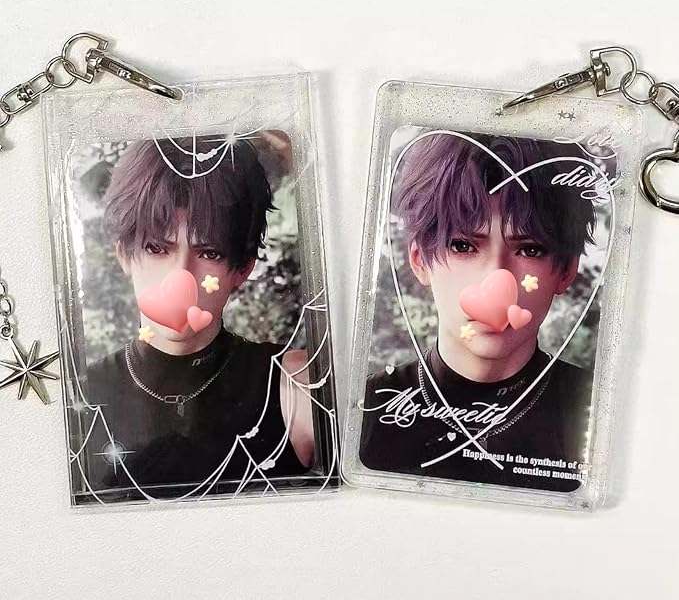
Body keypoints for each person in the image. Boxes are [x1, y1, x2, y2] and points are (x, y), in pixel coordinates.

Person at [360, 132, 599, 492]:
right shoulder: (361, 414)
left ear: (566, 270)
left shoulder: (600, 414)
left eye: (530, 249)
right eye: (463, 246)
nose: (496, 281)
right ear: (419, 260)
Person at [81, 133, 314, 501]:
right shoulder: (78, 394)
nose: (181, 277)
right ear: (124, 254)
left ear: (242, 269)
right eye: (157, 248)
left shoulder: (296, 385)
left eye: (210, 253)